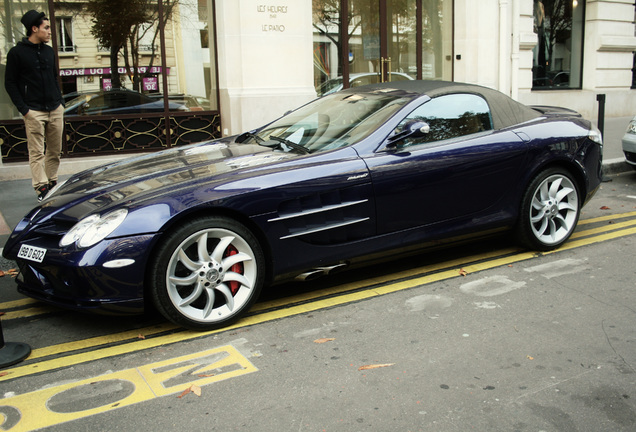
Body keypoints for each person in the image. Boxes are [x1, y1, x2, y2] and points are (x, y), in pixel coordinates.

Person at [5, 10, 64, 201]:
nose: (49, 32)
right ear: (34, 29)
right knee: (37, 152)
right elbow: (10, 83)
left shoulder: (49, 51)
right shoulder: (16, 53)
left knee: (55, 150)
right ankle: (41, 187)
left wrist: (61, 102)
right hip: (33, 111)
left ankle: (52, 182)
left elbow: (55, 78)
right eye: (46, 28)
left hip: (55, 108)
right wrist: (24, 110)